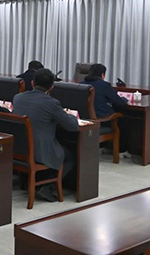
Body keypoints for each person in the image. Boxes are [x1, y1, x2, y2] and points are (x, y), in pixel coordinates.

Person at [13, 68, 79, 201]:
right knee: (71, 156)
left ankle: (34, 182)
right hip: (39, 152)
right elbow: (72, 126)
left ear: (32, 83)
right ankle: (49, 186)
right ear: (51, 87)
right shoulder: (52, 103)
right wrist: (70, 115)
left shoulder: (18, 98)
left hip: (18, 149)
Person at [80, 63, 131, 158]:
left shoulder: (81, 84)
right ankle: (121, 151)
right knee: (122, 118)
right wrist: (125, 99)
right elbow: (120, 103)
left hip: (85, 119)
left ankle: (101, 147)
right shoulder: (104, 85)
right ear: (102, 75)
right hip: (100, 118)